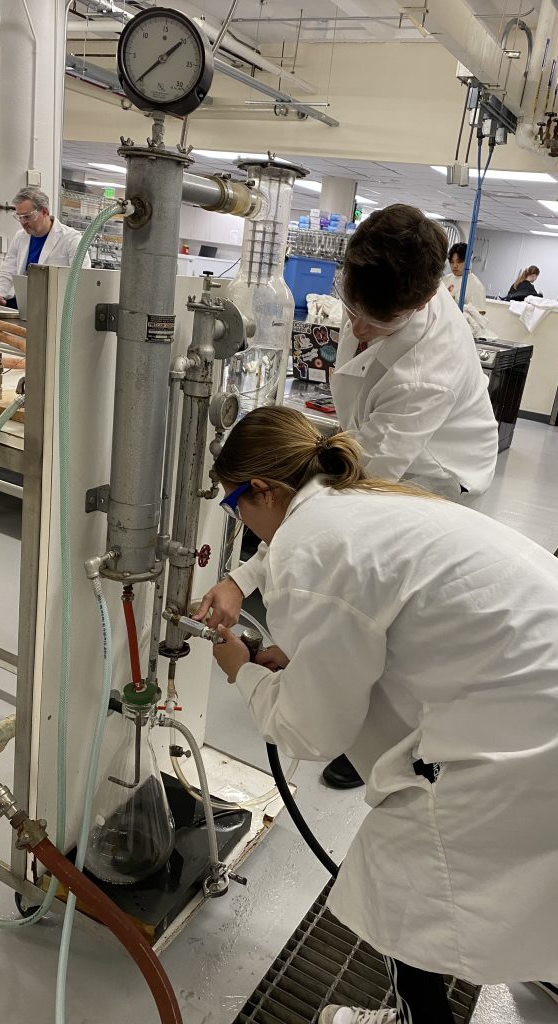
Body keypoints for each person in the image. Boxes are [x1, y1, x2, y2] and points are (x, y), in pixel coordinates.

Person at [209, 405, 558, 1024]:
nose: (241, 524)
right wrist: (277, 624)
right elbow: (373, 619)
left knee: (407, 884)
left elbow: (310, 731)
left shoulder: (314, 548)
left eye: (235, 506)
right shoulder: (368, 500)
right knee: (540, 864)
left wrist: (244, 673)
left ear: (260, 489)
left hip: (556, 751)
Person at [196, 204, 499, 789]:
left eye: (375, 324)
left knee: (385, 603)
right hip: (378, 442)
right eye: (352, 310)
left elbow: (338, 509)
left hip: (434, 473)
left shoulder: (424, 375)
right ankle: (333, 675)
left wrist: (247, 592)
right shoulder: (380, 289)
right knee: (355, 598)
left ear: (417, 305)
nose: (356, 329)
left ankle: (368, 731)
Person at [0, 187, 89, 306]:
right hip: (22, 303)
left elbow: (82, 279)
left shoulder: (71, 239)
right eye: (19, 217)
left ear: (45, 212)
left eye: (27, 216)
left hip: (54, 308)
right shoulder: (20, 237)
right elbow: (7, 271)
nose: (23, 222)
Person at [442, 241, 486, 312]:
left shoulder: (476, 286)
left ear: (468, 261)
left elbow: (478, 315)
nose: (455, 266)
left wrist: (454, 303)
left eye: (459, 262)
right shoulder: (445, 279)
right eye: (452, 262)